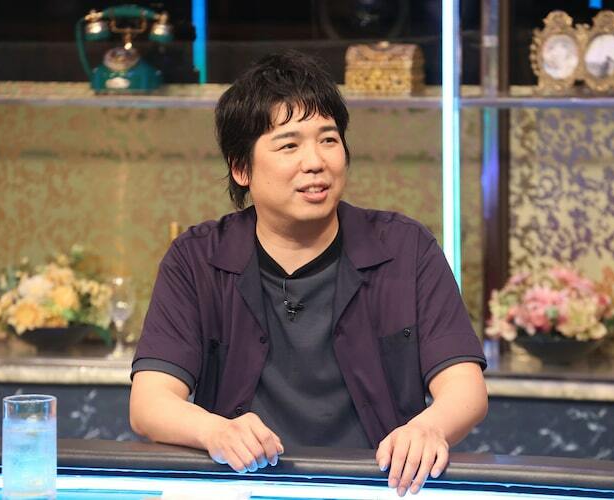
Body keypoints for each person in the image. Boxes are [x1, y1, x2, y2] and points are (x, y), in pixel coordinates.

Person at [130, 50, 488, 497]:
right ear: (241, 169)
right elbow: (149, 403)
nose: (315, 162)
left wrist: (428, 428)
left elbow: (465, 388)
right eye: (289, 145)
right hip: (244, 487)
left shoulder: (405, 247)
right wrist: (214, 430)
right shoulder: (197, 258)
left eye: (328, 140)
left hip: (376, 489)